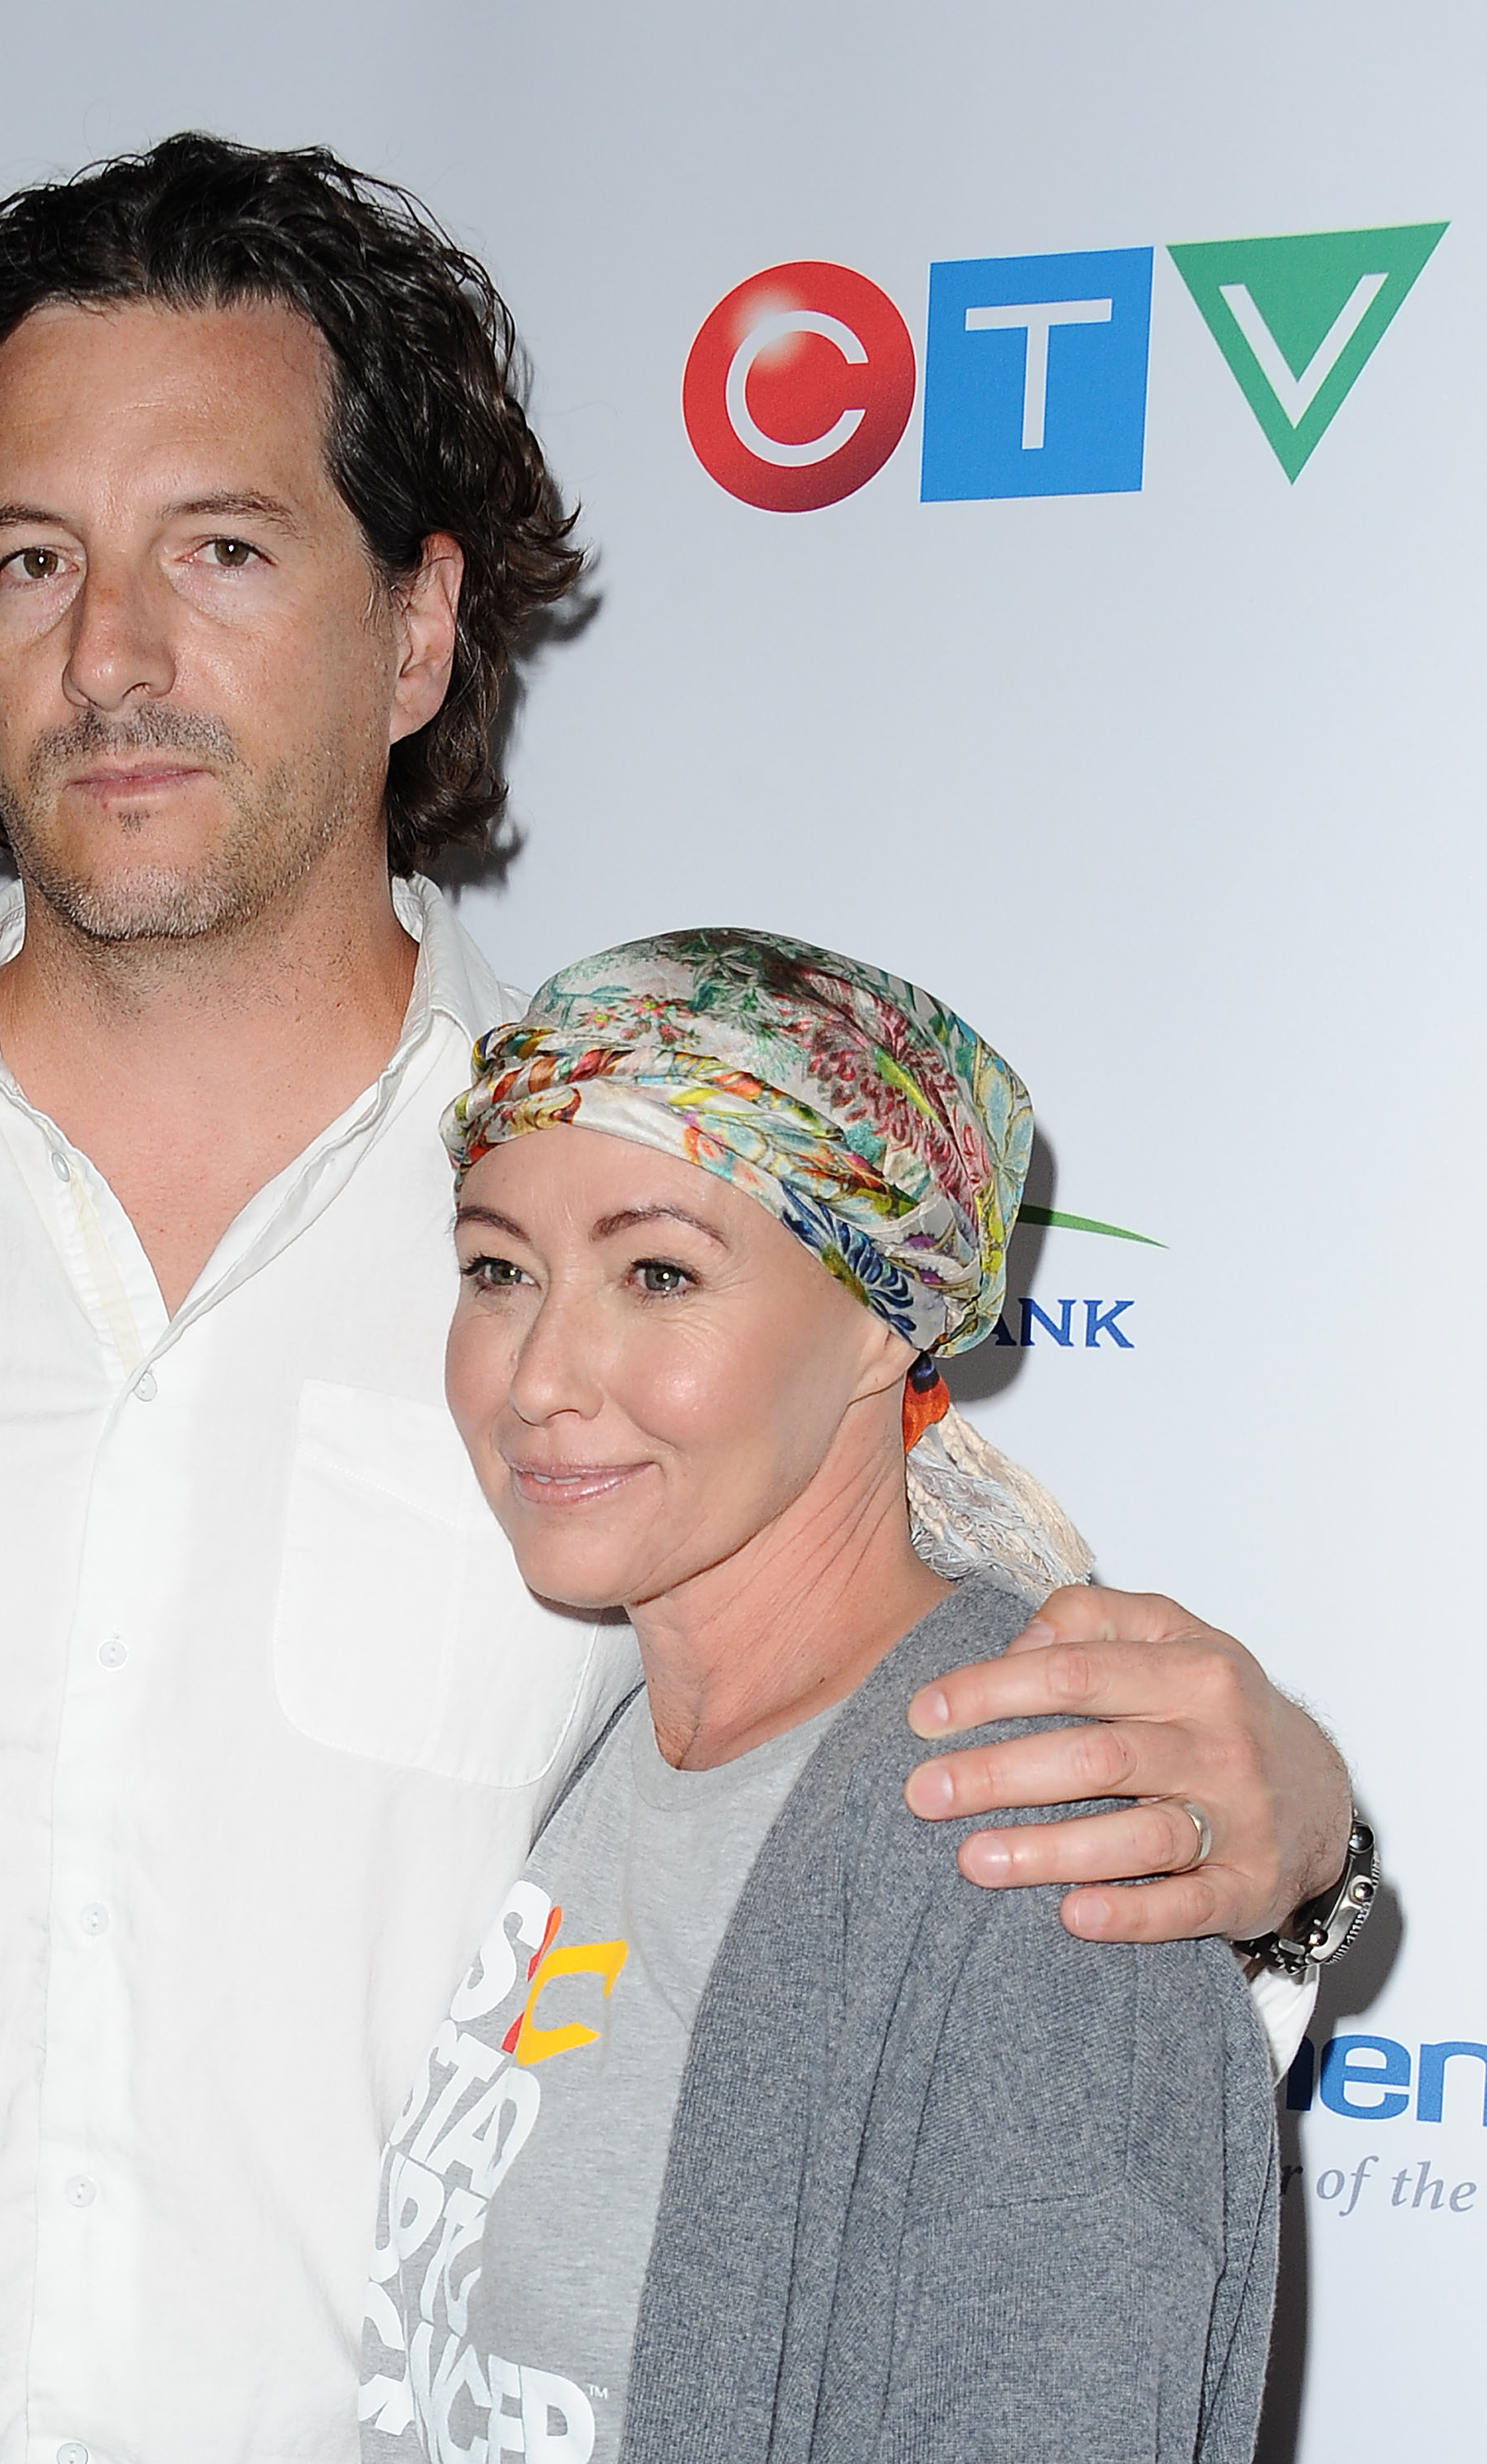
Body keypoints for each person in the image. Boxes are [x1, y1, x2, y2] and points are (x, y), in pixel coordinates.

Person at [0, 137, 1347, 2464]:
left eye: (221, 547)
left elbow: (991, 1775)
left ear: (413, 626)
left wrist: (1294, 1849)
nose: (113, 657)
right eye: (28, 562)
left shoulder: (644, 1256)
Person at [361, 931, 1279, 2462]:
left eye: (659, 1273)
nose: (537, 1373)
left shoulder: (1030, 1857)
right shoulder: (601, 1738)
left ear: (885, 1319)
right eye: (497, 1270)